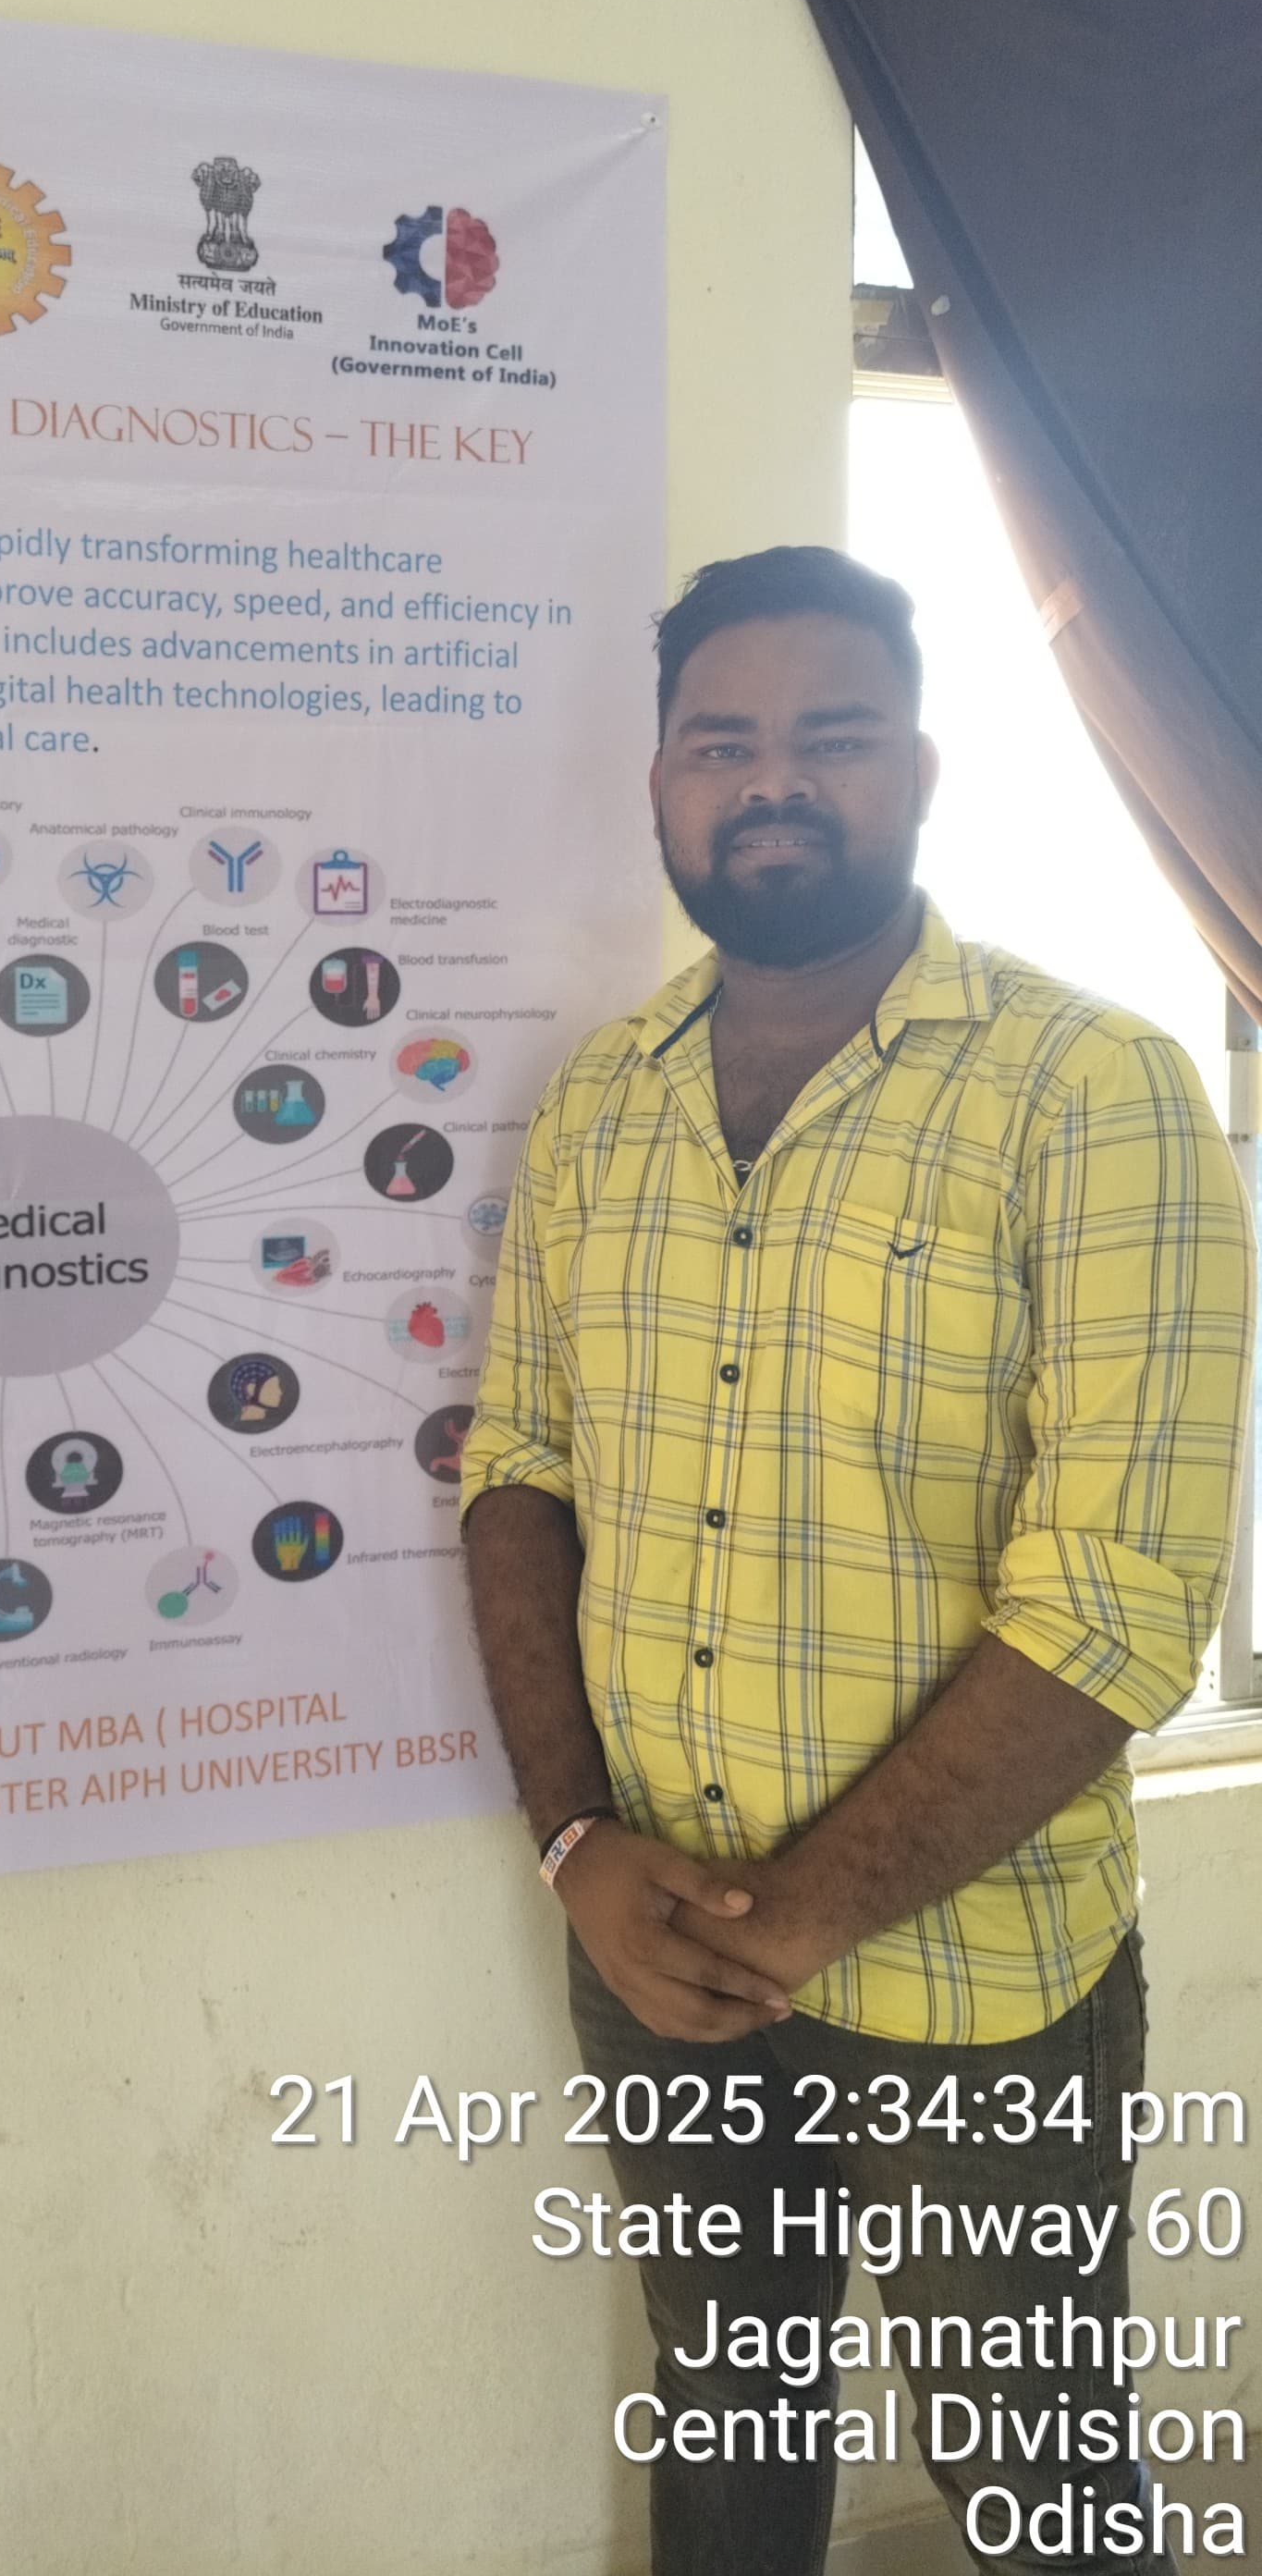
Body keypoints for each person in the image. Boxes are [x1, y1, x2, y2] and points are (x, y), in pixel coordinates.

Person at [460, 546, 1254, 2575]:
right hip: (648, 1927)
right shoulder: (601, 1105)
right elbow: (520, 1467)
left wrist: (798, 1918)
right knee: (726, 2435)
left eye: (833, 736)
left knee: (1039, 2484)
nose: (774, 783)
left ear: (919, 769)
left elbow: (1118, 1601)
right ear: (660, 783)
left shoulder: (1095, 1088)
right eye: (722, 743)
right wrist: (576, 1846)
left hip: (979, 1981)